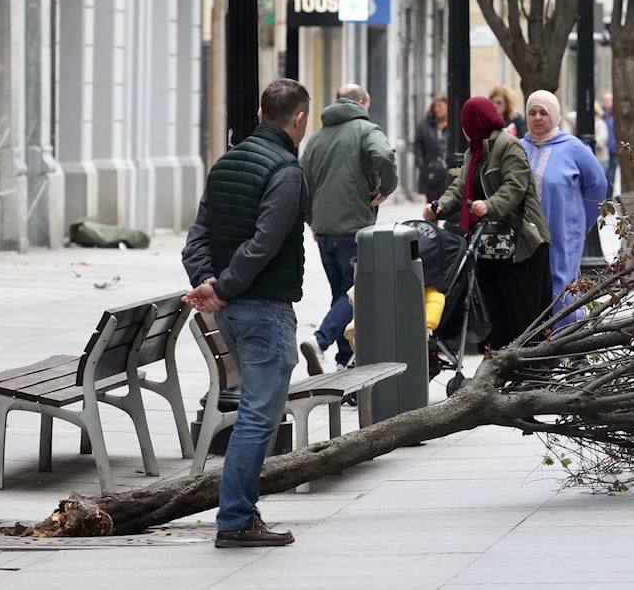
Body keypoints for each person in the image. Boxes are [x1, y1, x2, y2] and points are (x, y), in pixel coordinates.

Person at [181, 78, 311, 548]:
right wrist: (224, 287)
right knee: (259, 417)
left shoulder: (224, 164)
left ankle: (241, 514)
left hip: (232, 311)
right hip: (263, 310)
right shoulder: (287, 171)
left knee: (254, 414)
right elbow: (265, 243)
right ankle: (235, 519)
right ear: (299, 120)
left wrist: (210, 284)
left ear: (260, 114)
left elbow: (197, 236)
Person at [424, 96, 553, 348]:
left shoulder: (508, 145)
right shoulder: (475, 150)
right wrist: (438, 208)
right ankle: (501, 371)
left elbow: (515, 186)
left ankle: (530, 371)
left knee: (522, 315)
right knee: (497, 314)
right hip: (491, 246)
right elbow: (460, 188)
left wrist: (490, 205)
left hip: (522, 246)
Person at [299, 84, 397, 373]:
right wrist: (386, 188)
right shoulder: (366, 130)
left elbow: (302, 182)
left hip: (325, 232)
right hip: (354, 228)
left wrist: (312, 220)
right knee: (358, 292)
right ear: (363, 103)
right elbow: (384, 155)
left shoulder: (317, 138)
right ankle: (321, 341)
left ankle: (344, 362)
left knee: (341, 295)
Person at [522, 90, 609, 330]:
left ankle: (567, 342)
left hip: (561, 231)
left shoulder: (573, 148)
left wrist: (581, 221)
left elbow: (598, 185)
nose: (538, 118)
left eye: (543, 112)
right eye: (532, 112)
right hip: (525, 237)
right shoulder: (518, 148)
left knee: (561, 285)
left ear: (555, 115)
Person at [414, 94, 450, 203]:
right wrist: (422, 165)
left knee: (449, 205)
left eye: (440, 106)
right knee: (432, 207)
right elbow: (418, 145)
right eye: (435, 106)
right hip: (431, 173)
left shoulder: (454, 124)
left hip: (448, 172)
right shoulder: (425, 125)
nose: (437, 109)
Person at [600, 92, 618, 196]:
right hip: (603, 152)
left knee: (611, 177)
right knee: (603, 176)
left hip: (613, 150)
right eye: (606, 100)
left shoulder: (615, 116)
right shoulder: (600, 116)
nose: (608, 103)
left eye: (609, 100)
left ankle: (608, 199)